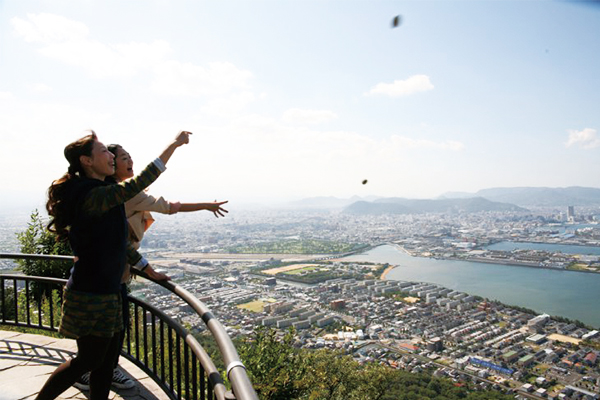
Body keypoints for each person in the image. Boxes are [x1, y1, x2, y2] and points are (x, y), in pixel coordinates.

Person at [37, 130, 192, 400]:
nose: (110, 156)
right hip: (91, 293)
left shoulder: (102, 194)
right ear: (86, 161)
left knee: (106, 363)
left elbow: (119, 243)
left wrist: (146, 268)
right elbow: (139, 182)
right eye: (104, 152)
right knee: (88, 360)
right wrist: (173, 146)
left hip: (107, 291)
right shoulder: (94, 196)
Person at [74, 144, 228, 391]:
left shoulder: (106, 192)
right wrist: (176, 145)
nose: (125, 160)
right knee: (109, 335)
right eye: (120, 157)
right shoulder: (121, 194)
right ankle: (93, 371)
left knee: (104, 336)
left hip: (102, 274)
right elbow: (167, 205)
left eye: (126, 156)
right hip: (108, 276)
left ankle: (93, 371)